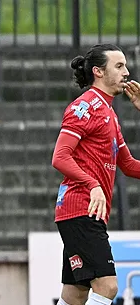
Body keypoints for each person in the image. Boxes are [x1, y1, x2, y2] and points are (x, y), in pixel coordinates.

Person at [52, 44, 140, 305]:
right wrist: (93, 184)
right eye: (119, 66)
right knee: (108, 287)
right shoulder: (85, 107)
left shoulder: (109, 114)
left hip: (85, 213)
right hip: (80, 210)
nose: (126, 72)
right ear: (98, 71)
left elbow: (130, 165)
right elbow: (60, 156)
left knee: (75, 294)